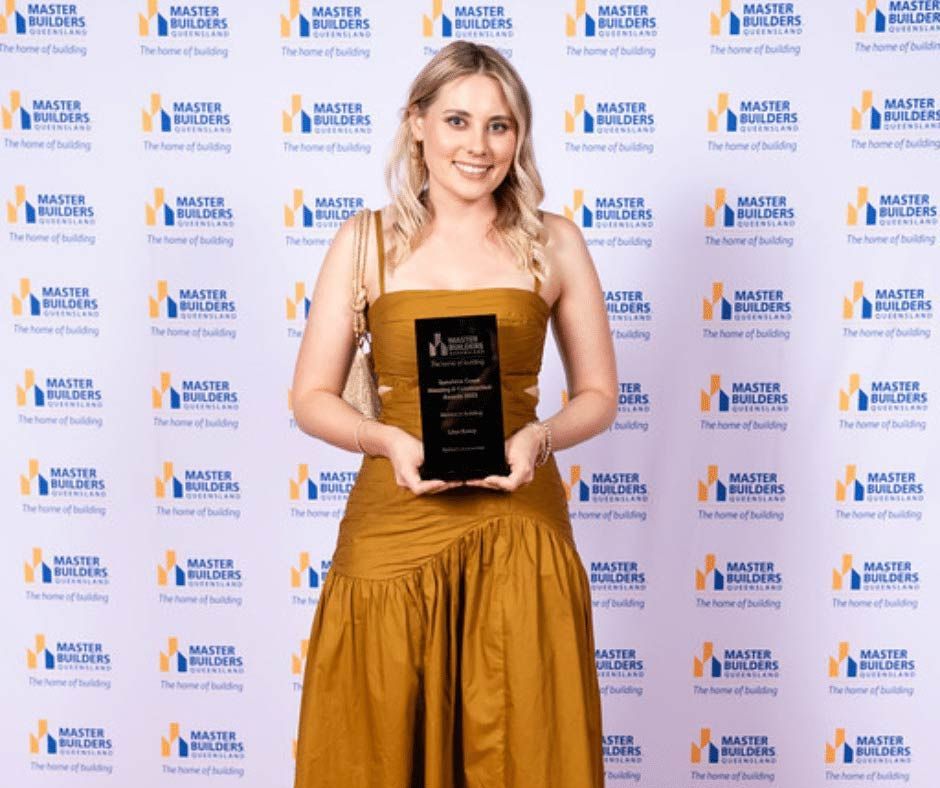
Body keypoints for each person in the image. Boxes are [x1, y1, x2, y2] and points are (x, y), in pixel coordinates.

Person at [291, 40, 617, 787]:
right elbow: (311, 396)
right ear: (416, 124)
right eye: (458, 121)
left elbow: (599, 393)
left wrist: (540, 436)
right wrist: (383, 439)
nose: (478, 146)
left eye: (500, 126)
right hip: (393, 529)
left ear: (520, 137)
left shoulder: (555, 241)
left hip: (520, 532)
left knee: (528, 751)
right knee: (371, 754)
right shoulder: (363, 242)